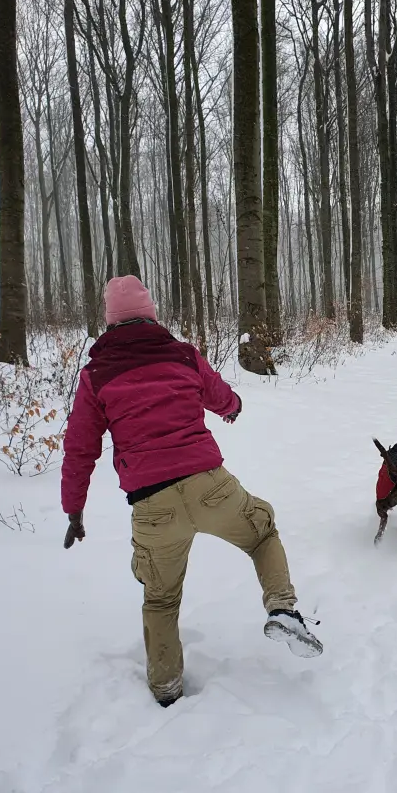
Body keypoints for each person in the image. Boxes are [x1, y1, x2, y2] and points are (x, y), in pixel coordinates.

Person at [61, 275, 322, 708]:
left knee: (160, 600)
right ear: (151, 315)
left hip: (152, 506)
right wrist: (233, 408)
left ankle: (166, 691)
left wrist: (74, 511)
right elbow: (221, 396)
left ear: (109, 324)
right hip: (210, 488)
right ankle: (281, 607)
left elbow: (79, 449)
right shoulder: (181, 355)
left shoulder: (95, 376)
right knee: (261, 532)